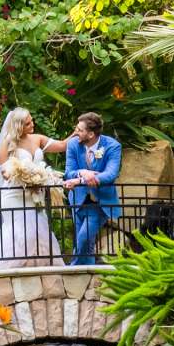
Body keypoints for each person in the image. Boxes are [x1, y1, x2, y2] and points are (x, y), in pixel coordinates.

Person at [0, 106, 63, 272]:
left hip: (33, 195)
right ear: (19, 126)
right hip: (13, 195)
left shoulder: (37, 138)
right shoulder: (8, 142)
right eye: (28, 123)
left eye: (32, 121)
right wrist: (25, 176)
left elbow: (62, 145)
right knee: (19, 230)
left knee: (39, 228)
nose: (33, 124)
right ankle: (8, 270)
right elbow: (4, 172)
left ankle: (40, 268)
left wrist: (79, 133)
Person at [59, 111, 122, 267]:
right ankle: (87, 276)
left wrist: (81, 179)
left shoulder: (112, 146)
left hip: (100, 201)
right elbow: (69, 172)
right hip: (79, 200)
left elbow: (110, 174)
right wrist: (83, 172)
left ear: (91, 134)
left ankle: (72, 269)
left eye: (80, 130)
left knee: (84, 237)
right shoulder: (73, 144)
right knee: (86, 244)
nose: (76, 133)